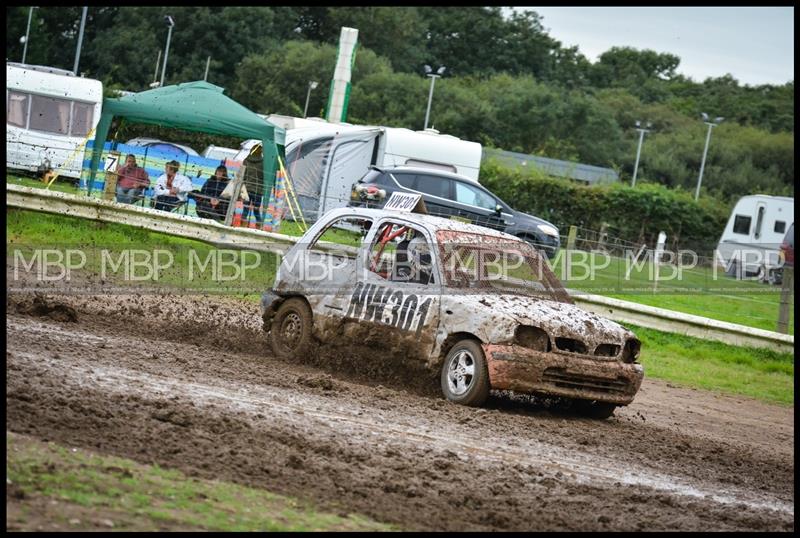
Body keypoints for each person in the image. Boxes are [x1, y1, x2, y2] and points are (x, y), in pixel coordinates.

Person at [240, 144, 265, 226]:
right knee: (256, 211)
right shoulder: (264, 163)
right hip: (258, 190)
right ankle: (259, 228)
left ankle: (242, 227)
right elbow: (264, 177)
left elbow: (242, 175)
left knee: (245, 210)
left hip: (247, 189)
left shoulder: (246, 161)